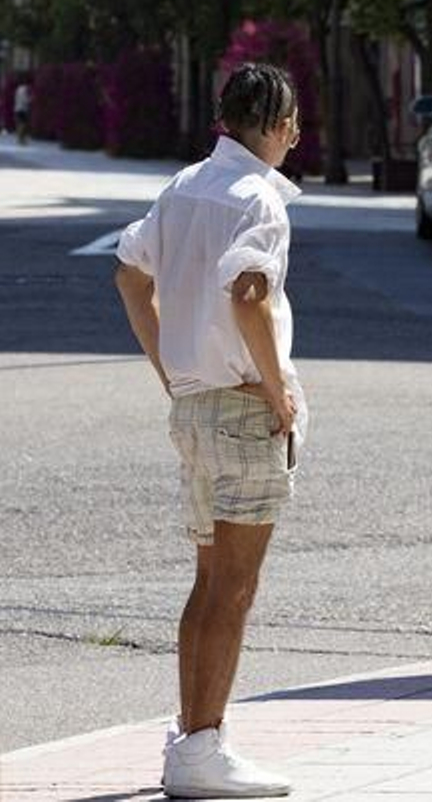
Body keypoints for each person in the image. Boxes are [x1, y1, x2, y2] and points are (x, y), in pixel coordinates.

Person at [114, 62, 304, 799]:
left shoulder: (185, 185)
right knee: (234, 586)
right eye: (294, 122)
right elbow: (251, 293)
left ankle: (193, 736)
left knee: (207, 581)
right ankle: (202, 746)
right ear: (278, 124)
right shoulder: (258, 198)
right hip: (241, 407)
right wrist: (277, 389)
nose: (297, 134)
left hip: (192, 408)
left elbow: (130, 275)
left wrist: (171, 364)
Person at [13, 78, 30, 145]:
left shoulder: (18, 89)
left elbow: (16, 98)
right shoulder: (24, 89)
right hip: (23, 109)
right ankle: (21, 140)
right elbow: (24, 99)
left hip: (17, 108)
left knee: (20, 124)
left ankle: (20, 139)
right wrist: (29, 100)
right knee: (23, 124)